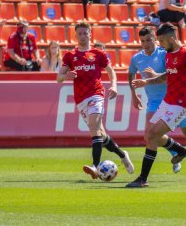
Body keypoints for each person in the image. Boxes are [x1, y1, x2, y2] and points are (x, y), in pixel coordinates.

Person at [126, 23, 186, 188]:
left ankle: (143, 178)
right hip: (168, 101)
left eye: (160, 40)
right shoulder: (168, 55)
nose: (159, 44)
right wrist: (146, 81)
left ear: (171, 38)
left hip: (181, 104)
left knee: (184, 135)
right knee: (151, 136)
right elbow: (167, 77)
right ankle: (178, 152)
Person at [57, 21, 134, 179]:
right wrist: (65, 76)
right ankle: (122, 154)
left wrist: (114, 86)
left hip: (96, 95)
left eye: (86, 33)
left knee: (93, 126)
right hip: (81, 100)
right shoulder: (70, 56)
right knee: (101, 134)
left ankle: (95, 166)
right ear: (76, 35)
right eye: (80, 33)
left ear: (90, 34)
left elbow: (111, 72)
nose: (83, 36)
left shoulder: (98, 54)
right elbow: (58, 78)